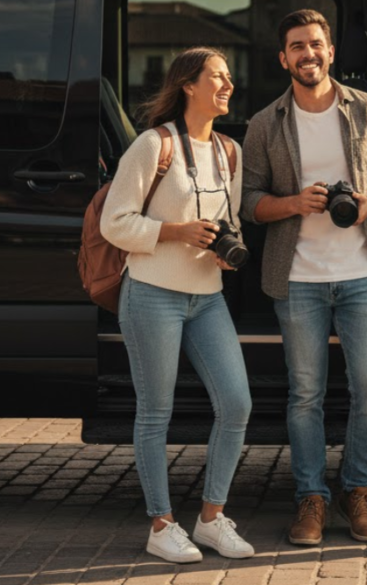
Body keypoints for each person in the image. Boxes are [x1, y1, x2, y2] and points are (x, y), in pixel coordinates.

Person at [241, 9, 367, 546]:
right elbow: (246, 202)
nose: (307, 54)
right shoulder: (265, 123)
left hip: (362, 272)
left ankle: (358, 491)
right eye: (297, 46)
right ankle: (310, 500)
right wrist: (292, 202)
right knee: (306, 394)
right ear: (283, 58)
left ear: (331, 51)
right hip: (298, 278)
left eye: (316, 44)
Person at [99, 47, 253, 564]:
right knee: (156, 412)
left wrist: (226, 253)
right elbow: (114, 223)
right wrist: (174, 231)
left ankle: (211, 519)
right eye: (217, 77)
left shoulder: (230, 152)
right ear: (189, 84)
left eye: (229, 77)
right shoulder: (153, 145)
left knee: (236, 404)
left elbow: (226, 223)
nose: (228, 85)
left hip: (208, 297)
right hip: (151, 293)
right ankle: (161, 525)